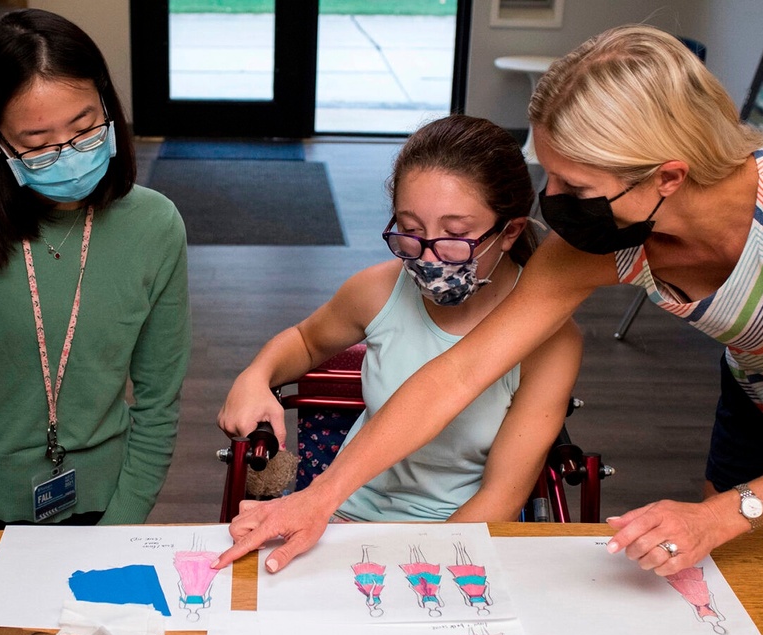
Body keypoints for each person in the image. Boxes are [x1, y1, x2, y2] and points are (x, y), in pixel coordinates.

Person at [218, 24, 763, 576]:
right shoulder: (607, 237)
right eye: (547, 176)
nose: (550, 207)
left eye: (575, 190)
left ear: (667, 176)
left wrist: (719, 516)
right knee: (752, 590)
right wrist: (322, 495)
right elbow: (458, 373)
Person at [0, 9, 189, 532]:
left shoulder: (155, 224)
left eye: (85, 128)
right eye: (38, 144)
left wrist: (118, 526)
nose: (70, 154)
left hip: (105, 504)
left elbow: (159, 402)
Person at [217, 115, 581, 523]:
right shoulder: (377, 291)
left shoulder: (552, 342)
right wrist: (256, 375)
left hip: (456, 529)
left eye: (453, 237)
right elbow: (305, 341)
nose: (426, 258)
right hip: (341, 510)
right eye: (410, 230)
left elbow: (500, 497)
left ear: (509, 232)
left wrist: (417, 564)